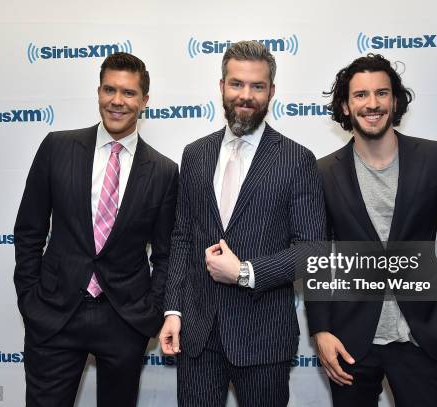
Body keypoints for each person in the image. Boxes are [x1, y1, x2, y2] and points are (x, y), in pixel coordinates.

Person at [306, 53, 437, 406]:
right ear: (345, 105)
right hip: (350, 341)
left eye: (381, 93)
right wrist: (321, 329)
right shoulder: (322, 173)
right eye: (360, 95)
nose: (372, 104)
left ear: (395, 100)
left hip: (422, 337)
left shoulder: (436, 158)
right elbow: (317, 256)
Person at [158, 41, 326, 406]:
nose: (245, 95)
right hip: (198, 335)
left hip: (263, 337)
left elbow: (313, 250)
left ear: (272, 92)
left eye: (257, 86)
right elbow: (183, 237)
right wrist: (173, 310)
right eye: (236, 84)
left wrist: (245, 272)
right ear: (221, 87)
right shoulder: (195, 154)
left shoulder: (297, 160)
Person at [13, 52, 178, 407]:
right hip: (55, 313)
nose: (118, 101)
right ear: (99, 92)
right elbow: (29, 229)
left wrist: (150, 310)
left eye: (129, 93)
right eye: (110, 89)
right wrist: (30, 298)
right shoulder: (57, 147)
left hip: (124, 319)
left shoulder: (164, 171)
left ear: (144, 101)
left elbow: (166, 253)